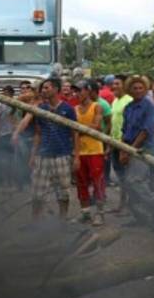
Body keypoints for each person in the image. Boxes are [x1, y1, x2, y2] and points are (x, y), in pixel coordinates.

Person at [27, 79, 79, 220]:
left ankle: (62, 221)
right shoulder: (41, 109)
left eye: (46, 88)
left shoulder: (68, 109)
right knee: (37, 192)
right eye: (42, 88)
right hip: (43, 155)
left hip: (62, 155)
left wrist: (76, 156)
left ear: (56, 89)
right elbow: (38, 133)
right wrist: (32, 155)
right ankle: (35, 221)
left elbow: (75, 133)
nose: (43, 90)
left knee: (63, 192)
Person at [119, 75, 154, 227]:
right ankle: (140, 217)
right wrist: (123, 150)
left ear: (145, 89)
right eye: (134, 88)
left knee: (136, 181)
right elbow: (125, 130)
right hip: (128, 147)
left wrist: (131, 150)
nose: (138, 90)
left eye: (141, 88)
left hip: (143, 148)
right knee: (128, 183)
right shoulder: (128, 108)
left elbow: (146, 130)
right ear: (130, 90)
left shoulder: (149, 107)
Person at [75, 80, 106, 225]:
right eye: (76, 91)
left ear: (87, 91)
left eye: (80, 90)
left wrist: (78, 128)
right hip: (80, 151)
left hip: (95, 150)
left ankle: (100, 213)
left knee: (98, 182)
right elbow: (74, 131)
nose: (78, 94)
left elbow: (97, 126)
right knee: (81, 182)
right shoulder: (74, 109)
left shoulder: (96, 106)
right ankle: (85, 212)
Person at [109, 75, 132, 213]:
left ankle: (127, 205)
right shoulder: (115, 100)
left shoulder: (128, 101)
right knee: (120, 176)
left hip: (124, 143)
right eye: (113, 84)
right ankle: (122, 204)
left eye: (117, 84)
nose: (114, 86)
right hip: (115, 143)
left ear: (124, 85)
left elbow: (128, 125)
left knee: (126, 176)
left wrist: (124, 147)